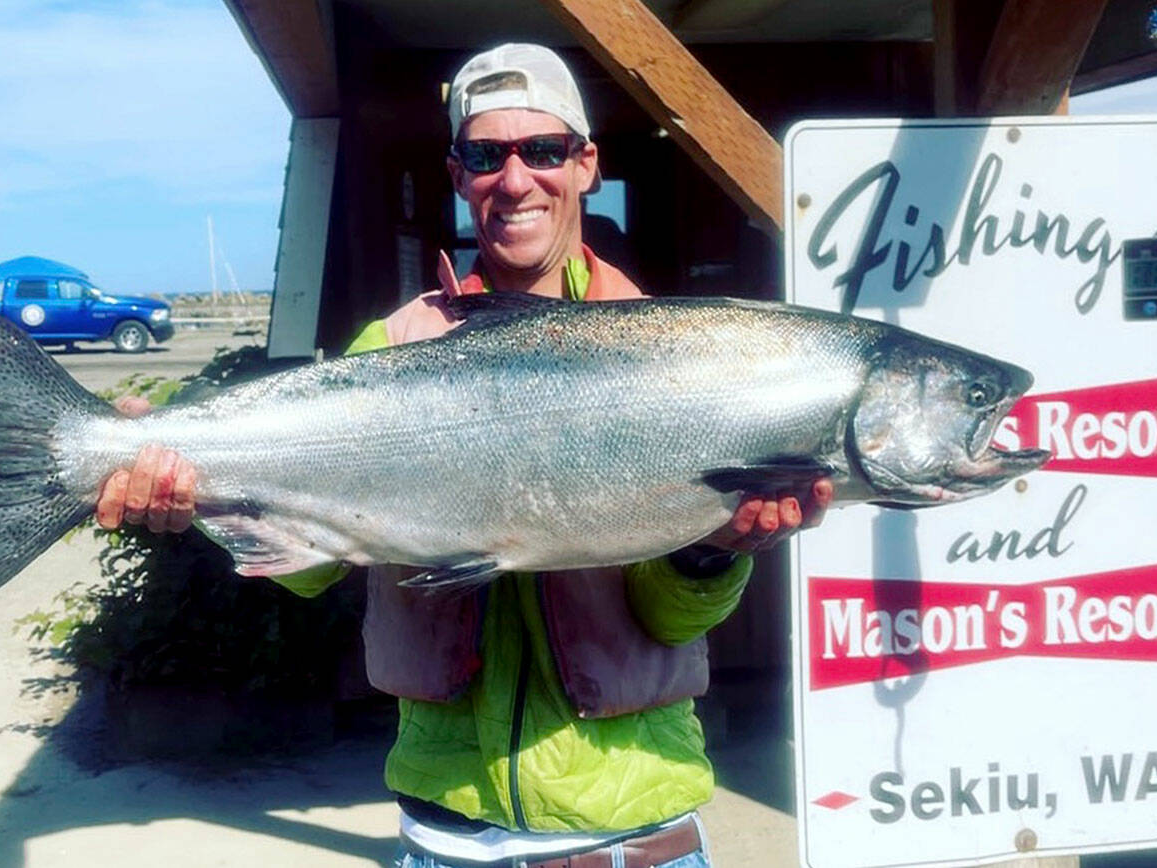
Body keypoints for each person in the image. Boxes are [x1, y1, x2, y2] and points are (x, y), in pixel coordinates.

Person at [97, 43, 833, 868]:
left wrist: (710, 550)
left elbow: (668, 619)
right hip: (446, 844)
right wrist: (195, 492)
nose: (515, 180)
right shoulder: (394, 346)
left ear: (586, 164)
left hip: (640, 842)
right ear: (458, 174)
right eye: (488, 155)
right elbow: (309, 569)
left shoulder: (680, 360)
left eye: (543, 150)